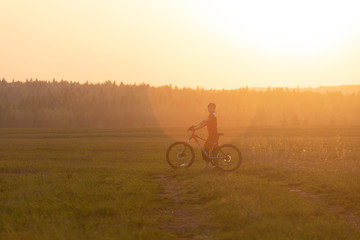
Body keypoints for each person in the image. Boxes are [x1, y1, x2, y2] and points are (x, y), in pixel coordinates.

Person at [188, 103, 218, 169]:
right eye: (208, 107)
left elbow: (204, 121)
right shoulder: (211, 115)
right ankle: (216, 165)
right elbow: (203, 124)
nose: (209, 109)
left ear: (213, 108)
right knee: (213, 150)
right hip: (212, 134)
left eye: (210, 107)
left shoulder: (213, 115)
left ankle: (207, 166)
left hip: (213, 134)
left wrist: (194, 125)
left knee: (205, 149)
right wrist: (195, 128)